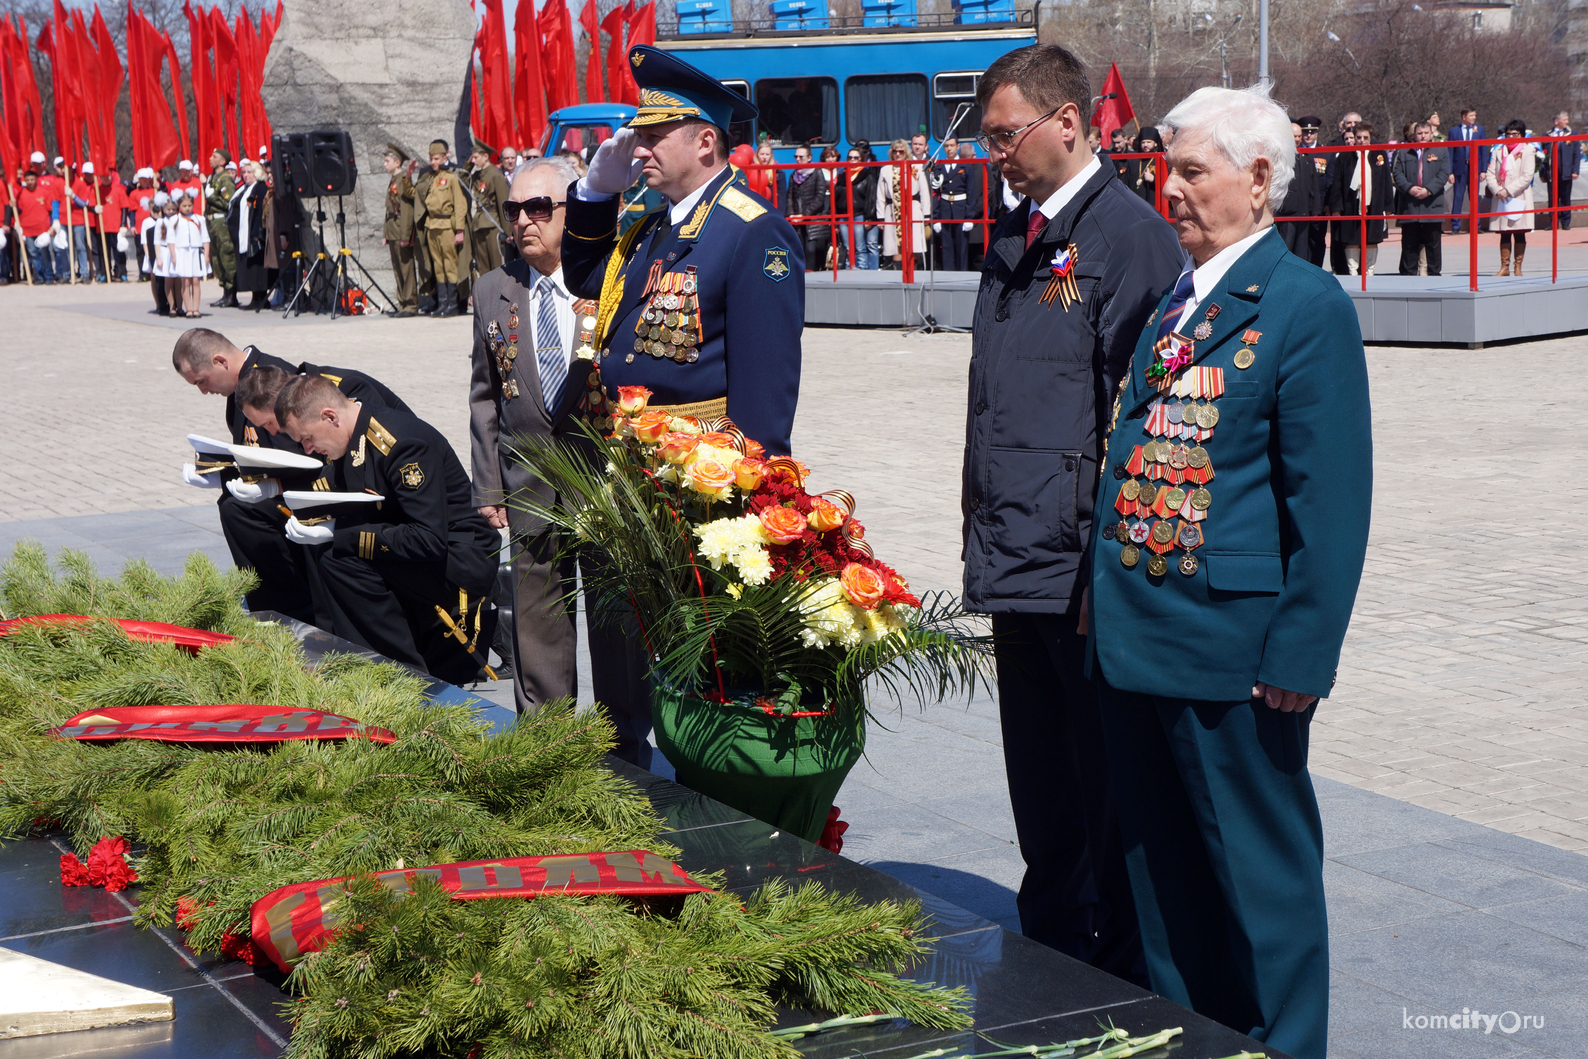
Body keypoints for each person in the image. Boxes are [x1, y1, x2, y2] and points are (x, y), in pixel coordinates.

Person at [1086, 84, 1371, 1059]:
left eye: (1190, 170)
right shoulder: (1181, 298)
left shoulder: (1303, 306)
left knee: (1261, 886)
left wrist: (1300, 652)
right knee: (1163, 885)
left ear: (1257, 180)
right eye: (1164, 169)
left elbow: (1327, 505)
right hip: (1140, 644)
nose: (1168, 190)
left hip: (1235, 662)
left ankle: (1284, 1043)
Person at [963, 42, 1183, 985]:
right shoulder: (1015, 234)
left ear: (1067, 121)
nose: (996, 153)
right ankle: (1050, 945)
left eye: (1007, 134)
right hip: (1018, 554)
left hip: (1082, 568)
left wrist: (1106, 568)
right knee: (1042, 782)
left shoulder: (1128, 239)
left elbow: (1140, 424)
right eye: (987, 138)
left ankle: (1119, 969)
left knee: (1106, 792)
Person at [469, 156, 652, 761]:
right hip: (529, 479)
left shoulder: (610, 280)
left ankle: (623, 734)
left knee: (614, 609)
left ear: (572, 213)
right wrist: (488, 484)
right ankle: (547, 735)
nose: (524, 221)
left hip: (602, 477)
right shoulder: (495, 289)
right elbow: (485, 392)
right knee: (536, 607)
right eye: (514, 210)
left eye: (539, 208)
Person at [561, 44, 805, 456]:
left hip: (696, 472)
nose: (638, 150)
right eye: (640, 137)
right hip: (630, 462)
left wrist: (752, 488)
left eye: (653, 137)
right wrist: (594, 193)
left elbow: (763, 389)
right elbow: (585, 278)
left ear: (706, 142)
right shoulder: (651, 226)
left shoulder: (753, 231)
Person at [275, 375, 500, 685]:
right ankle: (360, 662)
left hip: (460, 561)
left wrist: (342, 533)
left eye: (306, 438)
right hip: (422, 554)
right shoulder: (350, 439)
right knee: (330, 553)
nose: (308, 449)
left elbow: (429, 539)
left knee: (342, 559)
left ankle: (402, 678)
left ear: (330, 416)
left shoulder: (401, 444)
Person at [172, 329, 411, 622]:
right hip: (334, 485)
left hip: (381, 497)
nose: (203, 390)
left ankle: (306, 613)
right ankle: (284, 609)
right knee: (237, 507)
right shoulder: (253, 388)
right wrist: (224, 475)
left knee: (295, 517)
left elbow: (316, 458)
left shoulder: (294, 387)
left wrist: (277, 486)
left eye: (201, 380)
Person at [1328, 125, 1389, 276]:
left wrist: (1388, 207)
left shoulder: (1379, 154)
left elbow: (1386, 181)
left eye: (1365, 138)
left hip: (1374, 205)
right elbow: (1337, 183)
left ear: (1370, 138)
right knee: (1352, 238)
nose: (1362, 141)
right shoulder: (1345, 155)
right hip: (1351, 204)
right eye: (1359, 137)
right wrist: (1336, 208)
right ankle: (1353, 270)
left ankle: (1370, 271)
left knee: (1371, 237)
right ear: (1354, 138)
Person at [417, 139, 469, 317]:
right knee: (438, 266)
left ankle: (453, 305)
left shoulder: (451, 178)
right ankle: (442, 304)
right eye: (431, 159)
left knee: (449, 265)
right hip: (432, 225)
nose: (433, 162)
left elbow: (460, 205)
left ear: (444, 157)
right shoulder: (430, 178)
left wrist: (460, 230)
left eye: (436, 159)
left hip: (447, 225)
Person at [1392, 121, 1449, 276]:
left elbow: (1444, 174)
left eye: (1426, 133)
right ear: (1413, 135)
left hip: (1432, 205)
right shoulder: (1403, 151)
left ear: (1431, 134)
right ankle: (1407, 278)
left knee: (1433, 246)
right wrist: (1409, 188)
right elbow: (1397, 173)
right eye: (1419, 133)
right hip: (1410, 206)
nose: (1423, 136)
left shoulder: (1441, 150)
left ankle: (1434, 277)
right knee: (1409, 246)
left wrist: (1429, 190)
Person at [1485, 119, 1535, 276]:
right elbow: (1490, 174)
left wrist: (1509, 190)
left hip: (1518, 195)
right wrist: (1498, 190)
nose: (1511, 137)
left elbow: (1527, 176)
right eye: (1508, 134)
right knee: (1504, 232)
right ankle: (1504, 266)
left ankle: (1517, 267)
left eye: (1515, 134)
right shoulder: (1498, 151)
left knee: (1519, 231)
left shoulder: (1528, 150)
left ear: (1522, 135)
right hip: (1501, 197)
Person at [877, 138, 930, 270]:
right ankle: (899, 271)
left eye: (901, 151)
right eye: (895, 151)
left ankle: (914, 271)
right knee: (895, 244)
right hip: (892, 210)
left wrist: (927, 214)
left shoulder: (916, 167)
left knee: (914, 243)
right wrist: (880, 218)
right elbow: (880, 195)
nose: (898, 154)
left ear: (906, 152)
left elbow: (924, 192)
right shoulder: (885, 170)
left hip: (912, 208)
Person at [228, 160, 271, 310]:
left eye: (249, 172)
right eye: (244, 172)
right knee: (249, 267)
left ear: (257, 173)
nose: (246, 175)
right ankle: (255, 296)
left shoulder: (259, 188)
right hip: (243, 235)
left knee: (257, 267)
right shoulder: (243, 188)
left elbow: (259, 211)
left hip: (254, 234)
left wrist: (255, 232)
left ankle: (260, 298)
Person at [381, 145, 419, 317]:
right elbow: (389, 208)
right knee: (397, 268)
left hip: (400, 229)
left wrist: (406, 235)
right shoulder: (394, 180)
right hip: (392, 230)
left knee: (406, 268)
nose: (384, 164)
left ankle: (410, 304)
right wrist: (385, 234)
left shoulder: (402, 179)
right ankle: (402, 303)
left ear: (397, 163)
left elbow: (406, 209)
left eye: (387, 161)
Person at [466, 141, 511, 278]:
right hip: (479, 224)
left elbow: (503, 203)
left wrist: (507, 231)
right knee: (483, 266)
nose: (473, 160)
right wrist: (469, 165)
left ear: (486, 157)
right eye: (472, 158)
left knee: (497, 265)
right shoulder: (477, 176)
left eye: (476, 157)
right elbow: (461, 179)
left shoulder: (495, 175)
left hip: (493, 224)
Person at [1275, 122, 1321, 258]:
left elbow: (1314, 184)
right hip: (1286, 213)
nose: (1297, 139)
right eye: (1294, 136)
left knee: (1302, 251)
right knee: (1286, 249)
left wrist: (1316, 208)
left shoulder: (1306, 156)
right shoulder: (1280, 156)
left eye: (1299, 136)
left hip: (1304, 211)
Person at [930, 136, 975, 270]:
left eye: (951, 146)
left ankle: (962, 275)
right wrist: (936, 217)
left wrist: (969, 217)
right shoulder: (939, 167)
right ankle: (948, 274)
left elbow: (971, 193)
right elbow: (935, 193)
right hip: (945, 211)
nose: (949, 149)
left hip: (961, 210)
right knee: (946, 245)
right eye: (946, 146)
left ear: (957, 147)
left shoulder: (966, 167)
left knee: (961, 245)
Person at [784, 144, 831, 270]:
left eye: (801, 157)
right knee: (799, 249)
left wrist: (804, 214)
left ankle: (811, 276)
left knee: (811, 250)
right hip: (797, 220)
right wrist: (791, 214)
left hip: (814, 220)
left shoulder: (817, 173)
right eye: (796, 156)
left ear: (809, 157)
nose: (798, 159)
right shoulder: (794, 175)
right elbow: (790, 196)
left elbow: (820, 197)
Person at [204, 150, 238, 306]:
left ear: (223, 161)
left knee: (226, 256)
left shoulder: (226, 180)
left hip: (221, 222)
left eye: (215, 157)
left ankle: (232, 294)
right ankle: (225, 292)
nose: (211, 159)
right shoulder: (214, 178)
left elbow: (228, 203)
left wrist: (212, 197)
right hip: (212, 222)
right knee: (217, 259)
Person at [1448, 108, 1488, 234]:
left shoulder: (1479, 130)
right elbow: (1450, 152)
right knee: (1458, 197)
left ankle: (1476, 225)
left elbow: (1483, 150)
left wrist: (1483, 170)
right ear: (1464, 117)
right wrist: (1450, 172)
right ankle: (1455, 225)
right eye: (1471, 115)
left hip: (1474, 167)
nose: (1474, 118)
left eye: (1475, 115)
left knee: (1474, 196)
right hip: (1459, 167)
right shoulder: (1454, 131)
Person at [14, 170, 57, 285]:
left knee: (44, 253)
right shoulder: (22, 194)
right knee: (33, 254)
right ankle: (39, 276)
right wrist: (13, 204)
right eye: (27, 180)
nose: (30, 182)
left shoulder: (44, 192)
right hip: (28, 229)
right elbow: (19, 210)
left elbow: (51, 210)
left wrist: (52, 226)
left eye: (32, 179)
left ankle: (48, 275)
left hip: (42, 228)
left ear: (36, 180)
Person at [1541, 112, 1580, 231]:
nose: (1567, 122)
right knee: (1552, 197)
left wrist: (1575, 171)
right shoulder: (1547, 135)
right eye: (1565, 119)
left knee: (1565, 197)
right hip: (1552, 172)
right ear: (1556, 121)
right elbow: (1542, 156)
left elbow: (1576, 154)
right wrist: (1543, 173)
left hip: (1566, 171)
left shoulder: (1572, 134)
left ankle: (1565, 222)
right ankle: (1553, 222)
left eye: (1567, 119)